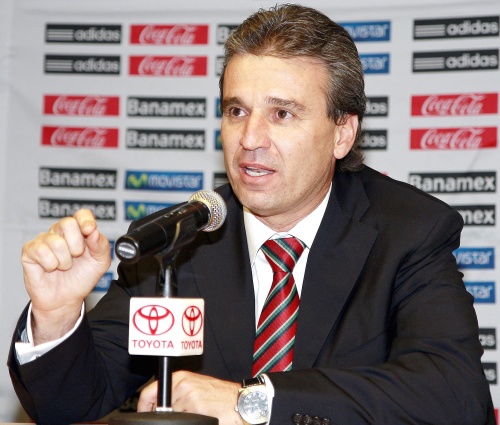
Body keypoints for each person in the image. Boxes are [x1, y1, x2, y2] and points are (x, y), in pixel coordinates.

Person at [8, 4, 494, 425]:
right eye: (236, 111)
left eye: (282, 114)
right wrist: (56, 318)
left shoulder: (408, 231)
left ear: (342, 133)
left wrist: (252, 402)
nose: (250, 139)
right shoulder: (178, 241)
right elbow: (70, 404)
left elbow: (456, 397)